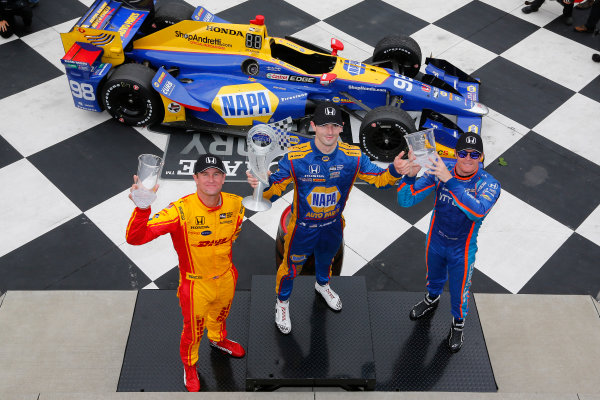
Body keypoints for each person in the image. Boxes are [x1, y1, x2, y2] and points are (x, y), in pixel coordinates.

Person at [246, 102, 406, 335]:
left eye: (334, 126)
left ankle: (323, 286)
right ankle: (282, 303)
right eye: (323, 126)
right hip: (302, 228)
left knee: (326, 261)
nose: (329, 131)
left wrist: (394, 170)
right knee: (290, 269)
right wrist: (262, 184)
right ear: (313, 126)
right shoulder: (296, 156)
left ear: (342, 128)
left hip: (332, 225)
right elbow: (274, 189)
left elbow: (379, 180)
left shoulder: (353, 157)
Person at [126, 154, 245, 392]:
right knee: (192, 331)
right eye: (205, 174)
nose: (211, 179)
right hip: (195, 285)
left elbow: (234, 234)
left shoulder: (236, 203)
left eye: (216, 174)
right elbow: (135, 238)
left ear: (224, 178)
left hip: (226, 277)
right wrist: (142, 208)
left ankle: (218, 339)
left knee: (220, 315)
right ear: (195, 178)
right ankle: (190, 365)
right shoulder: (180, 211)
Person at [396, 132, 501, 353]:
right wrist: (409, 176)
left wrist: (450, 181)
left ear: (481, 157)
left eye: (474, 154)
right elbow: (406, 201)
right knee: (433, 278)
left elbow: (477, 212)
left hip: (462, 249)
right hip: (435, 239)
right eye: (463, 153)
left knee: (459, 290)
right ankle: (431, 299)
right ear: (456, 154)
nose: (468, 158)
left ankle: (458, 324)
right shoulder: (440, 172)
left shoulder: (489, 184)